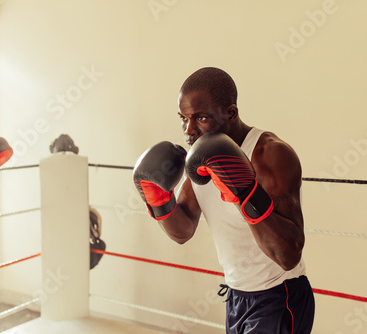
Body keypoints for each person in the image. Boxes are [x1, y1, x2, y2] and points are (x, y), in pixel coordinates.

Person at [133, 67, 314, 333]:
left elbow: (288, 255)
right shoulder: (202, 160)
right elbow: (182, 231)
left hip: (280, 296)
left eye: (201, 118)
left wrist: (244, 194)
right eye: (183, 118)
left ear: (231, 113)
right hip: (237, 297)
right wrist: (158, 199)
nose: (189, 130)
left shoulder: (269, 154)